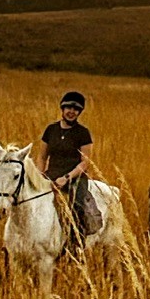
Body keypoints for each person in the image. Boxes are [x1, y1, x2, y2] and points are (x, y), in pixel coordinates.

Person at [41, 91, 99, 245]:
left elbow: (85, 162)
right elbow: (42, 157)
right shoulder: (50, 130)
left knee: (78, 206)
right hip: (51, 175)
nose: (71, 112)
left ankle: (76, 244)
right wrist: (40, 177)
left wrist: (66, 177)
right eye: (68, 107)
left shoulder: (83, 133)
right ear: (62, 108)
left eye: (76, 109)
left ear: (79, 112)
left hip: (75, 178)